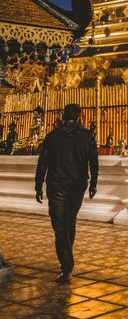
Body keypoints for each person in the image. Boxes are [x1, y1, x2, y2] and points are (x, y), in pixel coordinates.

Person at [35, 103, 98, 284]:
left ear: (63, 117)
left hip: (57, 186)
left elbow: (42, 163)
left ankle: (67, 266)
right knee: (69, 223)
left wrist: (38, 185)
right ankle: (66, 264)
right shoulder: (87, 137)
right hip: (77, 186)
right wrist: (93, 183)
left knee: (61, 226)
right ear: (79, 117)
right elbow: (93, 162)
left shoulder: (52, 137)